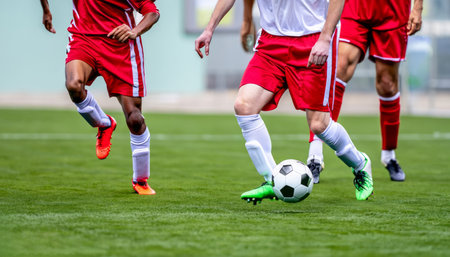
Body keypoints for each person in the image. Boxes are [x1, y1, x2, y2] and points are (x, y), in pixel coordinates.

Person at [195, 0, 374, 202]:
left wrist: (325, 38)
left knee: (319, 125)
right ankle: (272, 179)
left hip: (314, 39)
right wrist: (209, 29)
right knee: (244, 106)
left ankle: (360, 165)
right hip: (271, 42)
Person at [40, 0, 160, 195]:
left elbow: (152, 12)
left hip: (120, 46)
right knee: (73, 86)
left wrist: (135, 30)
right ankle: (104, 123)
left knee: (135, 120)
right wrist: (46, 10)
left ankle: (140, 180)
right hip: (83, 39)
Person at [305, 0, 423, 183]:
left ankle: (389, 155)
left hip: (394, 9)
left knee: (387, 83)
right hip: (355, 6)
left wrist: (417, 7)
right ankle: (315, 155)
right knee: (340, 67)